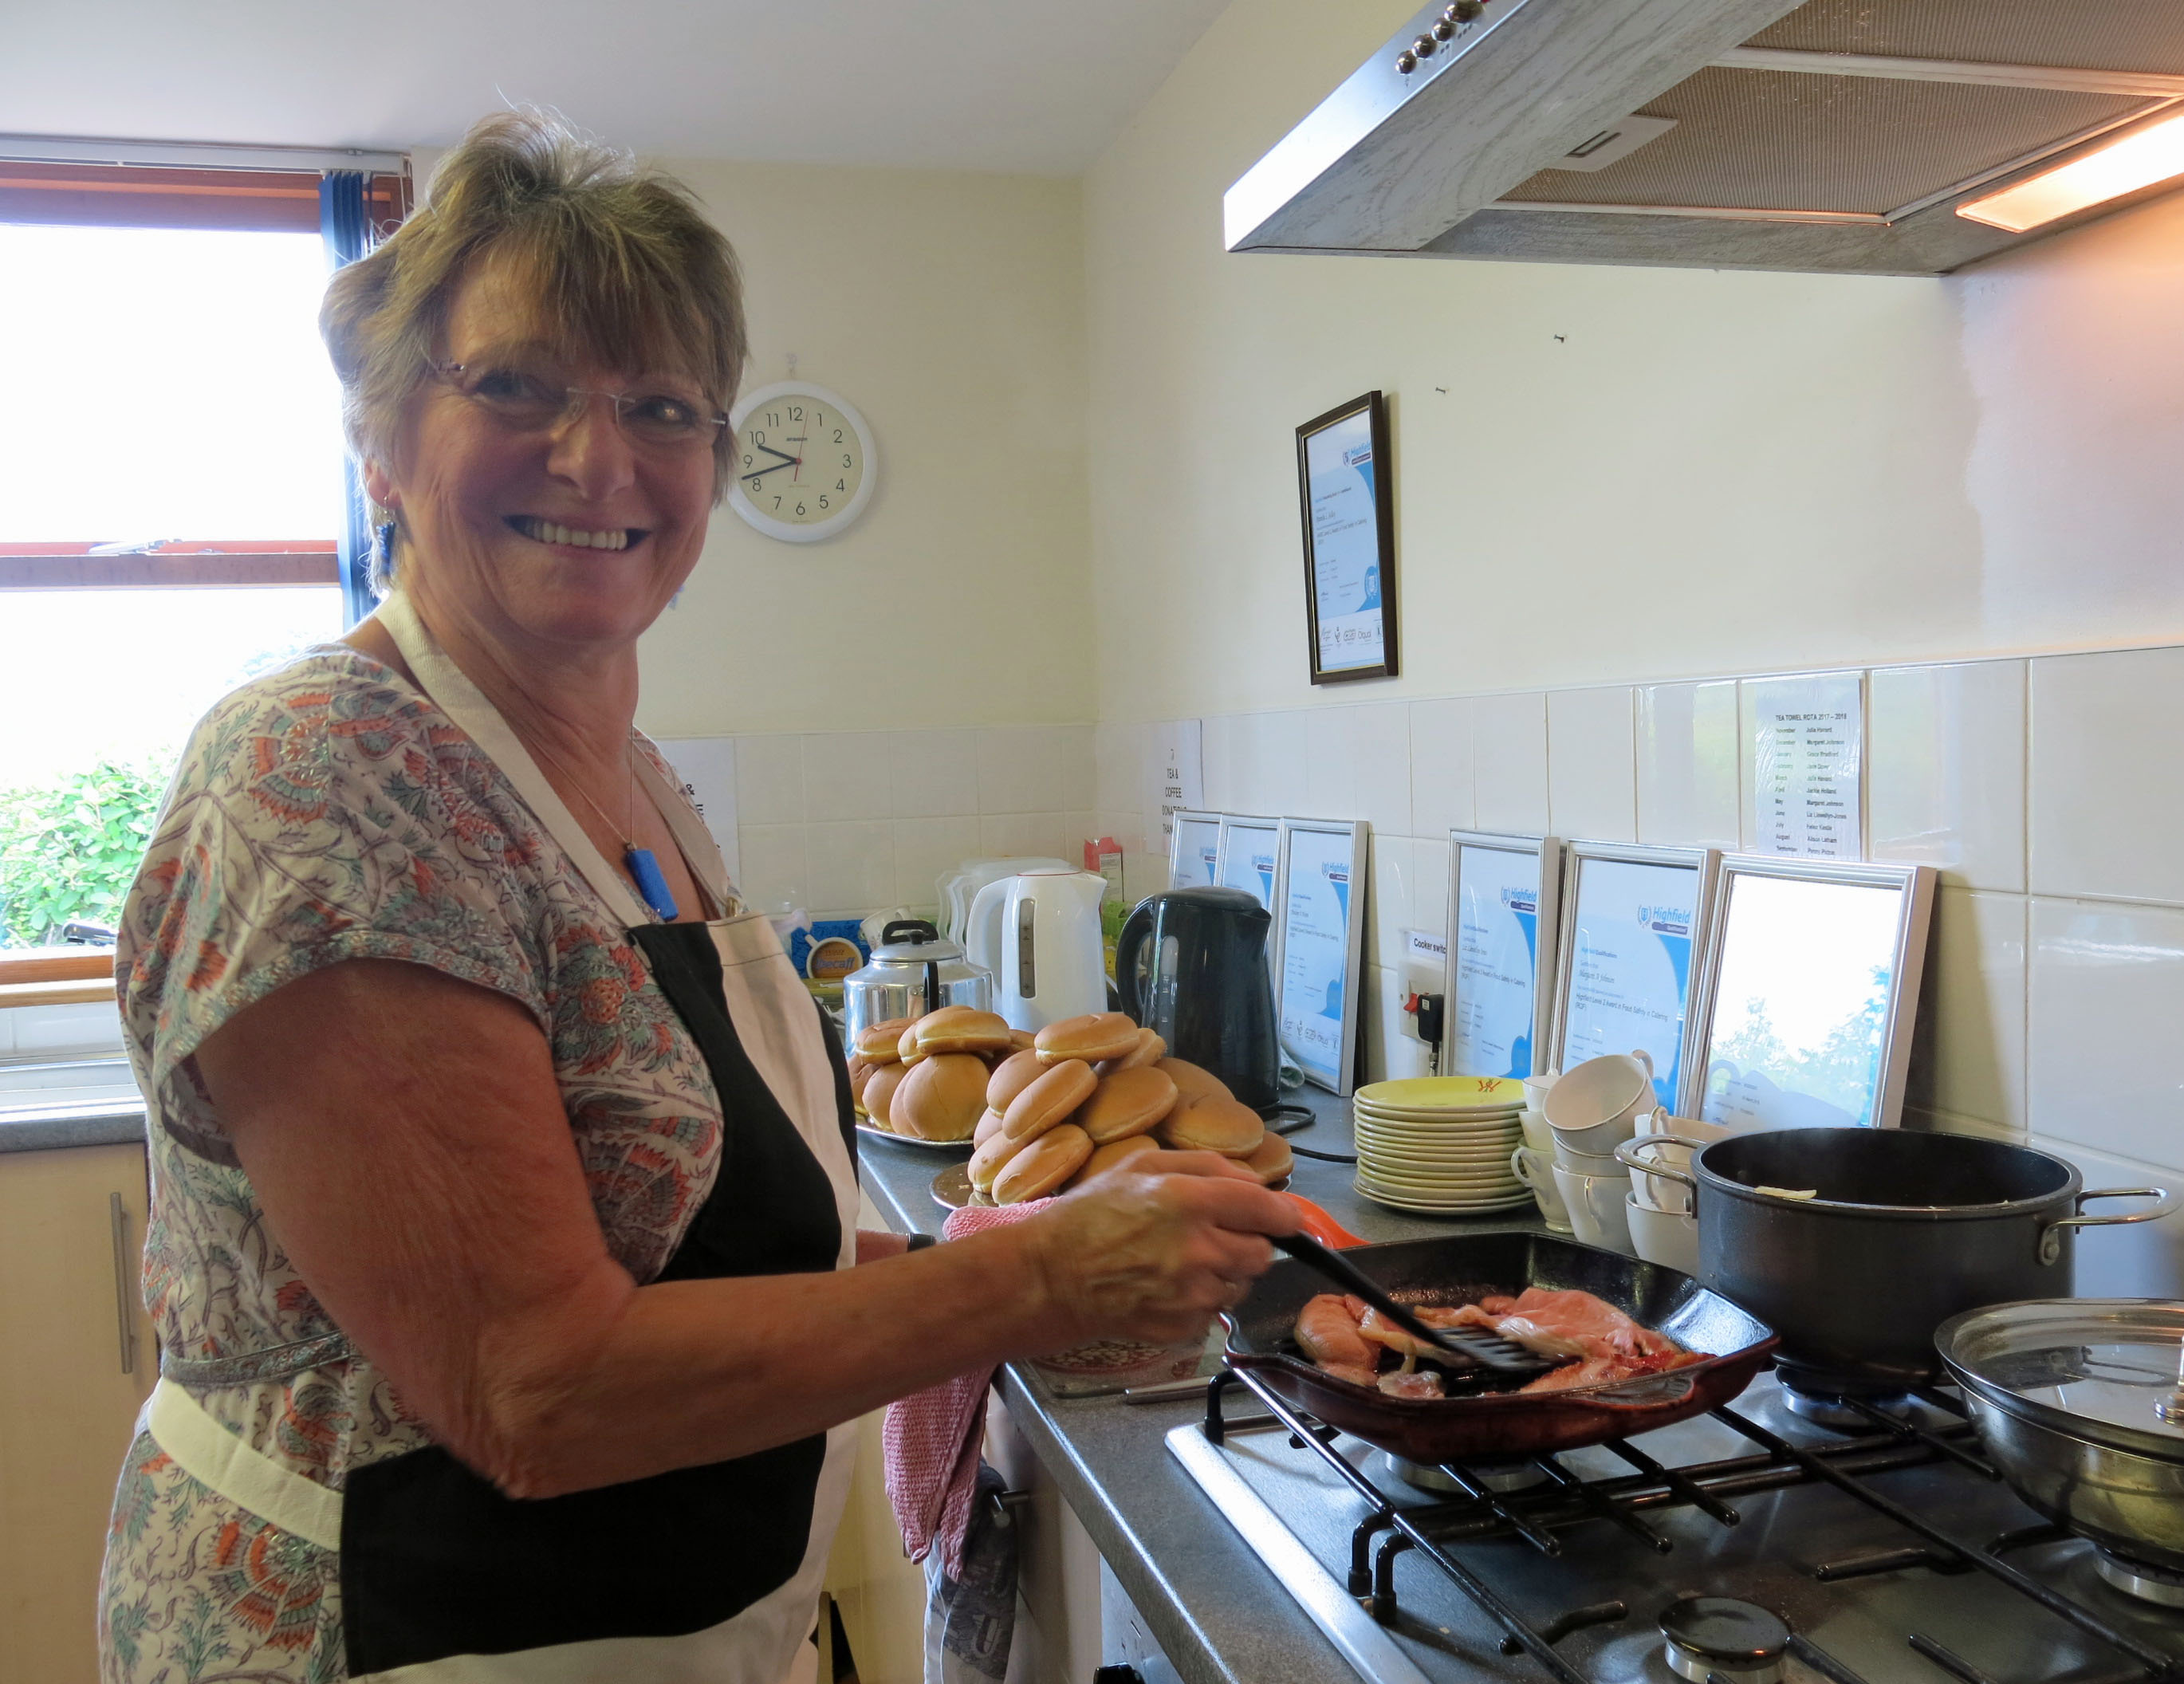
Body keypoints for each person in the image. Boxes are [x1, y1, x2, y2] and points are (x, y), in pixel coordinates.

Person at [99, 110, 1296, 1684]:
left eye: (661, 405)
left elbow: (714, 1259)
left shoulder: (631, 783)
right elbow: (532, 1389)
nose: (598, 458)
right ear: (381, 440)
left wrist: (1033, 1262)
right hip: (399, 1641)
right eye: (515, 386)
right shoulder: (329, 781)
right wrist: (1033, 1276)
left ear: (715, 470)